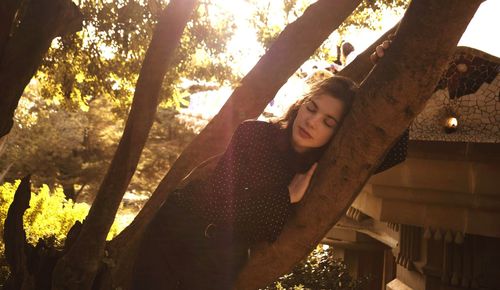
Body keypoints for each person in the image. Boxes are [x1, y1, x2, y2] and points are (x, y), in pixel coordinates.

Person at [132, 46, 407, 290]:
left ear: (338, 133)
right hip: (174, 238)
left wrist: (393, 74)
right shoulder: (254, 135)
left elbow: (392, 150)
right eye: (312, 108)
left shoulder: (325, 167)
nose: (312, 122)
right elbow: (221, 204)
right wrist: (286, 197)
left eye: (328, 122)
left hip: (218, 263)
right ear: (300, 105)